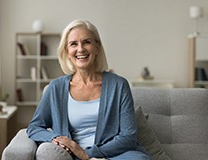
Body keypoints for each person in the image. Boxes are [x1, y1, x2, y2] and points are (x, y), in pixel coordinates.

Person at [26, 19, 150, 160]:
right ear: (67, 51)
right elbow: (34, 127)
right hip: (73, 157)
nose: (80, 49)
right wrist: (55, 138)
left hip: (115, 155)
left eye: (87, 42)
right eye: (73, 44)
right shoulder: (55, 88)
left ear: (97, 47)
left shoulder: (119, 85)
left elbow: (129, 137)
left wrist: (88, 154)